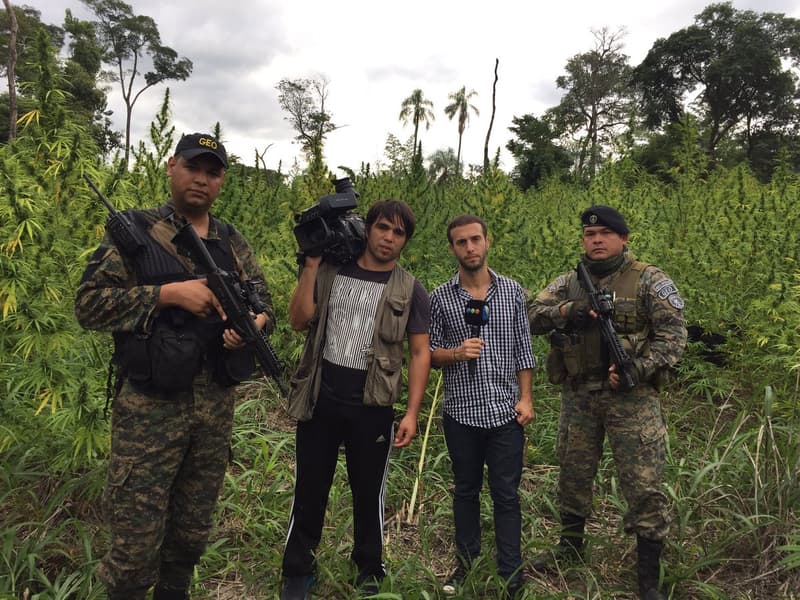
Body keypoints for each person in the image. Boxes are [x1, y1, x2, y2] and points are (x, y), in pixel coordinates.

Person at [75, 133, 275, 600]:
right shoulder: (136, 231)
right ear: (171, 166)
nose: (201, 180)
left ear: (222, 180)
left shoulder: (231, 240)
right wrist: (167, 295)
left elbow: (262, 300)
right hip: (150, 410)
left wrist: (254, 323)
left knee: (191, 532)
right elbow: (88, 306)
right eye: (192, 167)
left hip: (213, 410)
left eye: (212, 172)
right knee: (134, 540)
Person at [526, 205, 686, 600]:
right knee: (573, 474)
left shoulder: (649, 280)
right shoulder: (569, 282)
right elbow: (530, 315)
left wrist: (638, 367)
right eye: (589, 235)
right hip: (579, 394)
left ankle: (648, 577)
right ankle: (570, 550)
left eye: (605, 234)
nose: (596, 241)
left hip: (632, 399)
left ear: (623, 238)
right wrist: (570, 311)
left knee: (644, 484)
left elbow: (674, 336)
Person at [280, 199, 431, 600]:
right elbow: (298, 321)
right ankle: (298, 568)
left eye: (398, 233)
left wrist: (412, 413)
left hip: (372, 407)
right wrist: (310, 265)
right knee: (310, 487)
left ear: (405, 241)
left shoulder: (411, 288)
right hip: (320, 399)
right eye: (383, 227)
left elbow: (420, 353)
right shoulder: (331, 270)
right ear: (368, 229)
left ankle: (368, 567)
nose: (388, 237)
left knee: (368, 492)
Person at [429, 214, 536, 599]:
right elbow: (429, 353)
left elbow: (524, 350)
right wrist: (457, 352)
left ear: (488, 242)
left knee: (506, 495)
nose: (470, 248)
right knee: (465, 491)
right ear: (452, 248)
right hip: (461, 413)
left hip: (505, 412)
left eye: (475, 239)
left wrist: (526, 398)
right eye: (461, 242)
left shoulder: (512, 292)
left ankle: (511, 573)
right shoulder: (440, 297)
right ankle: (466, 563)